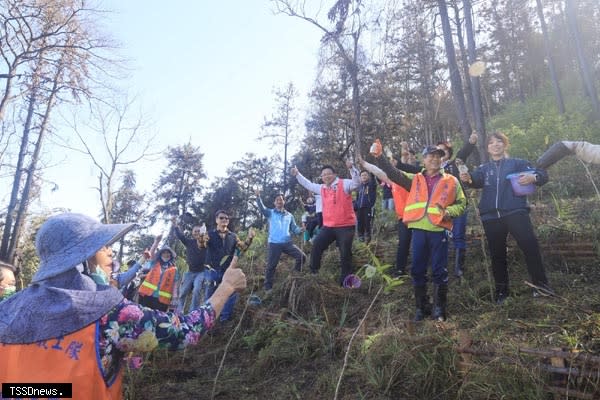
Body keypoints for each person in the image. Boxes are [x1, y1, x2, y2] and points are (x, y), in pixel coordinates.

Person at [0, 212, 246, 400]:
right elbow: (186, 332)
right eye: (102, 246)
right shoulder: (110, 313)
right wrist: (225, 288)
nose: (110, 252)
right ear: (83, 259)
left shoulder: (8, 309)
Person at [367, 143, 466, 321]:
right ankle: (421, 307)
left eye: (438, 156)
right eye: (430, 156)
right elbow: (393, 173)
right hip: (418, 231)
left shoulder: (451, 180)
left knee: (439, 270)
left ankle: (439, 308)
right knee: (417, 269)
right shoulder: (414, 179)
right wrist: (380, 157)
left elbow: (461, 203)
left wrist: (450, 212)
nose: (434, 159)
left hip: (438, 230)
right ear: (423, 160)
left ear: (442, 159)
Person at [459, 131, 553, 304]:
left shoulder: (517, 163)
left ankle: (541, 287)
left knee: (530, 247)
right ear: (487, 148)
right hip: (491, 217)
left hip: (515, 211)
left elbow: (542, 174)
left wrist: (534, 176)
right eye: (492, 143)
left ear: (505, 144)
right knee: (497, 255)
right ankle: (502, 293)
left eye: (499, 141)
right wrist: (467, 178)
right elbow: (474, 181)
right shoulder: (483, 169)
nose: (495, 145)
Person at [291, 160, 360, 285]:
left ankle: (346, 279)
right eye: (323, 175)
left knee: (345, 252)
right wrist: (297, 174)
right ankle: (313, 273)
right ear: (322, 177)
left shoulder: (344, 184)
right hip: (328, 226)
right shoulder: (321, 188)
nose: (326, 176)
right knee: (317, 244)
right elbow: (308, 184)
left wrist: (352, 169)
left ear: (334, 174)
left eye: (329, 174)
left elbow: (356, 183)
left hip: (345, 226)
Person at [198, 210, 255, 322]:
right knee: (210, 293)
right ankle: (206, 319)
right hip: (211, 269)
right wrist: (201, 235)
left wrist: (250, 238)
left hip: (227, 270)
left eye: (226, 218)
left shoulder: (233, 236)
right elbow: (202, 246)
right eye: (221, 218)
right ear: (216, 220)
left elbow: (242, 248)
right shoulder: (209, 234)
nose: (224, 220)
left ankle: (224, 319)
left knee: (231, 292)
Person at [436, 132, 478, 278]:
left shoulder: (454, 164)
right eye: (437, 151)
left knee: (458, 236)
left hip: (458, 206)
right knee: (441, 237)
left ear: (448, 153)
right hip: (439, 208)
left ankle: (459, 269)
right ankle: (441, 268)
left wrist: (471, 142)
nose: (440, 154)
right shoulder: (431, 170)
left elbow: (463, 153)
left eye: (443, 151)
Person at [255, 189, 306, 291]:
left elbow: (294, 229)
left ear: (284, 201)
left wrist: (301, 230)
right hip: (274, 244)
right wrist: (258, 197)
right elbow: (262, 208)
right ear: (274, 202)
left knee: (302, 257)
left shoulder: (289, 215)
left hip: (287, 243)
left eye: (281, 200)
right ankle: (268, 288)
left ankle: (294, 276)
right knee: (271, 266)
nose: (279, 201)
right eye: (277, 200)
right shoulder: (270, 213)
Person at [171, 216, 208, 312]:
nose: (196, 233)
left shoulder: (205, 243)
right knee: (183, 292)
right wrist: (175, 224)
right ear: (192, 232)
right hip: (190, 272)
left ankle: (193, 312)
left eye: (198, 231)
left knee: (196, 290)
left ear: (202, 232)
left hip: (201, 272)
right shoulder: (189, 242)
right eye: (195, 231)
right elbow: (180, 235)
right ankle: (178, 312)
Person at [137, 246, 180, 312]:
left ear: (171, 255)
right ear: (160, 254)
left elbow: (175, 285)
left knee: (157, 319)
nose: (166, 254)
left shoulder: (174, 269)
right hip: (147, 295)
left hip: (162, 300)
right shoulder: (154, 263)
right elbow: (151, 253)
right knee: (142, 315)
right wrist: (156, 242)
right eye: (164, 253)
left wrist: (174, 298)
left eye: (168, 253)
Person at [354, 170, 377, 243]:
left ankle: (368, 240)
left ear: (368, 176)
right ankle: (361, 239)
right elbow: (357, 198)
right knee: (360, 223)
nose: (363, 176)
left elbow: (373, 182)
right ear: (360, 177)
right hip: (359, 209)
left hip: (368, 208)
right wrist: (356, 205)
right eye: (362, 175)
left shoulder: (371, 185)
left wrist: (372, 175)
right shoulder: (359, 187)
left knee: (368, 223)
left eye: (365, 175)